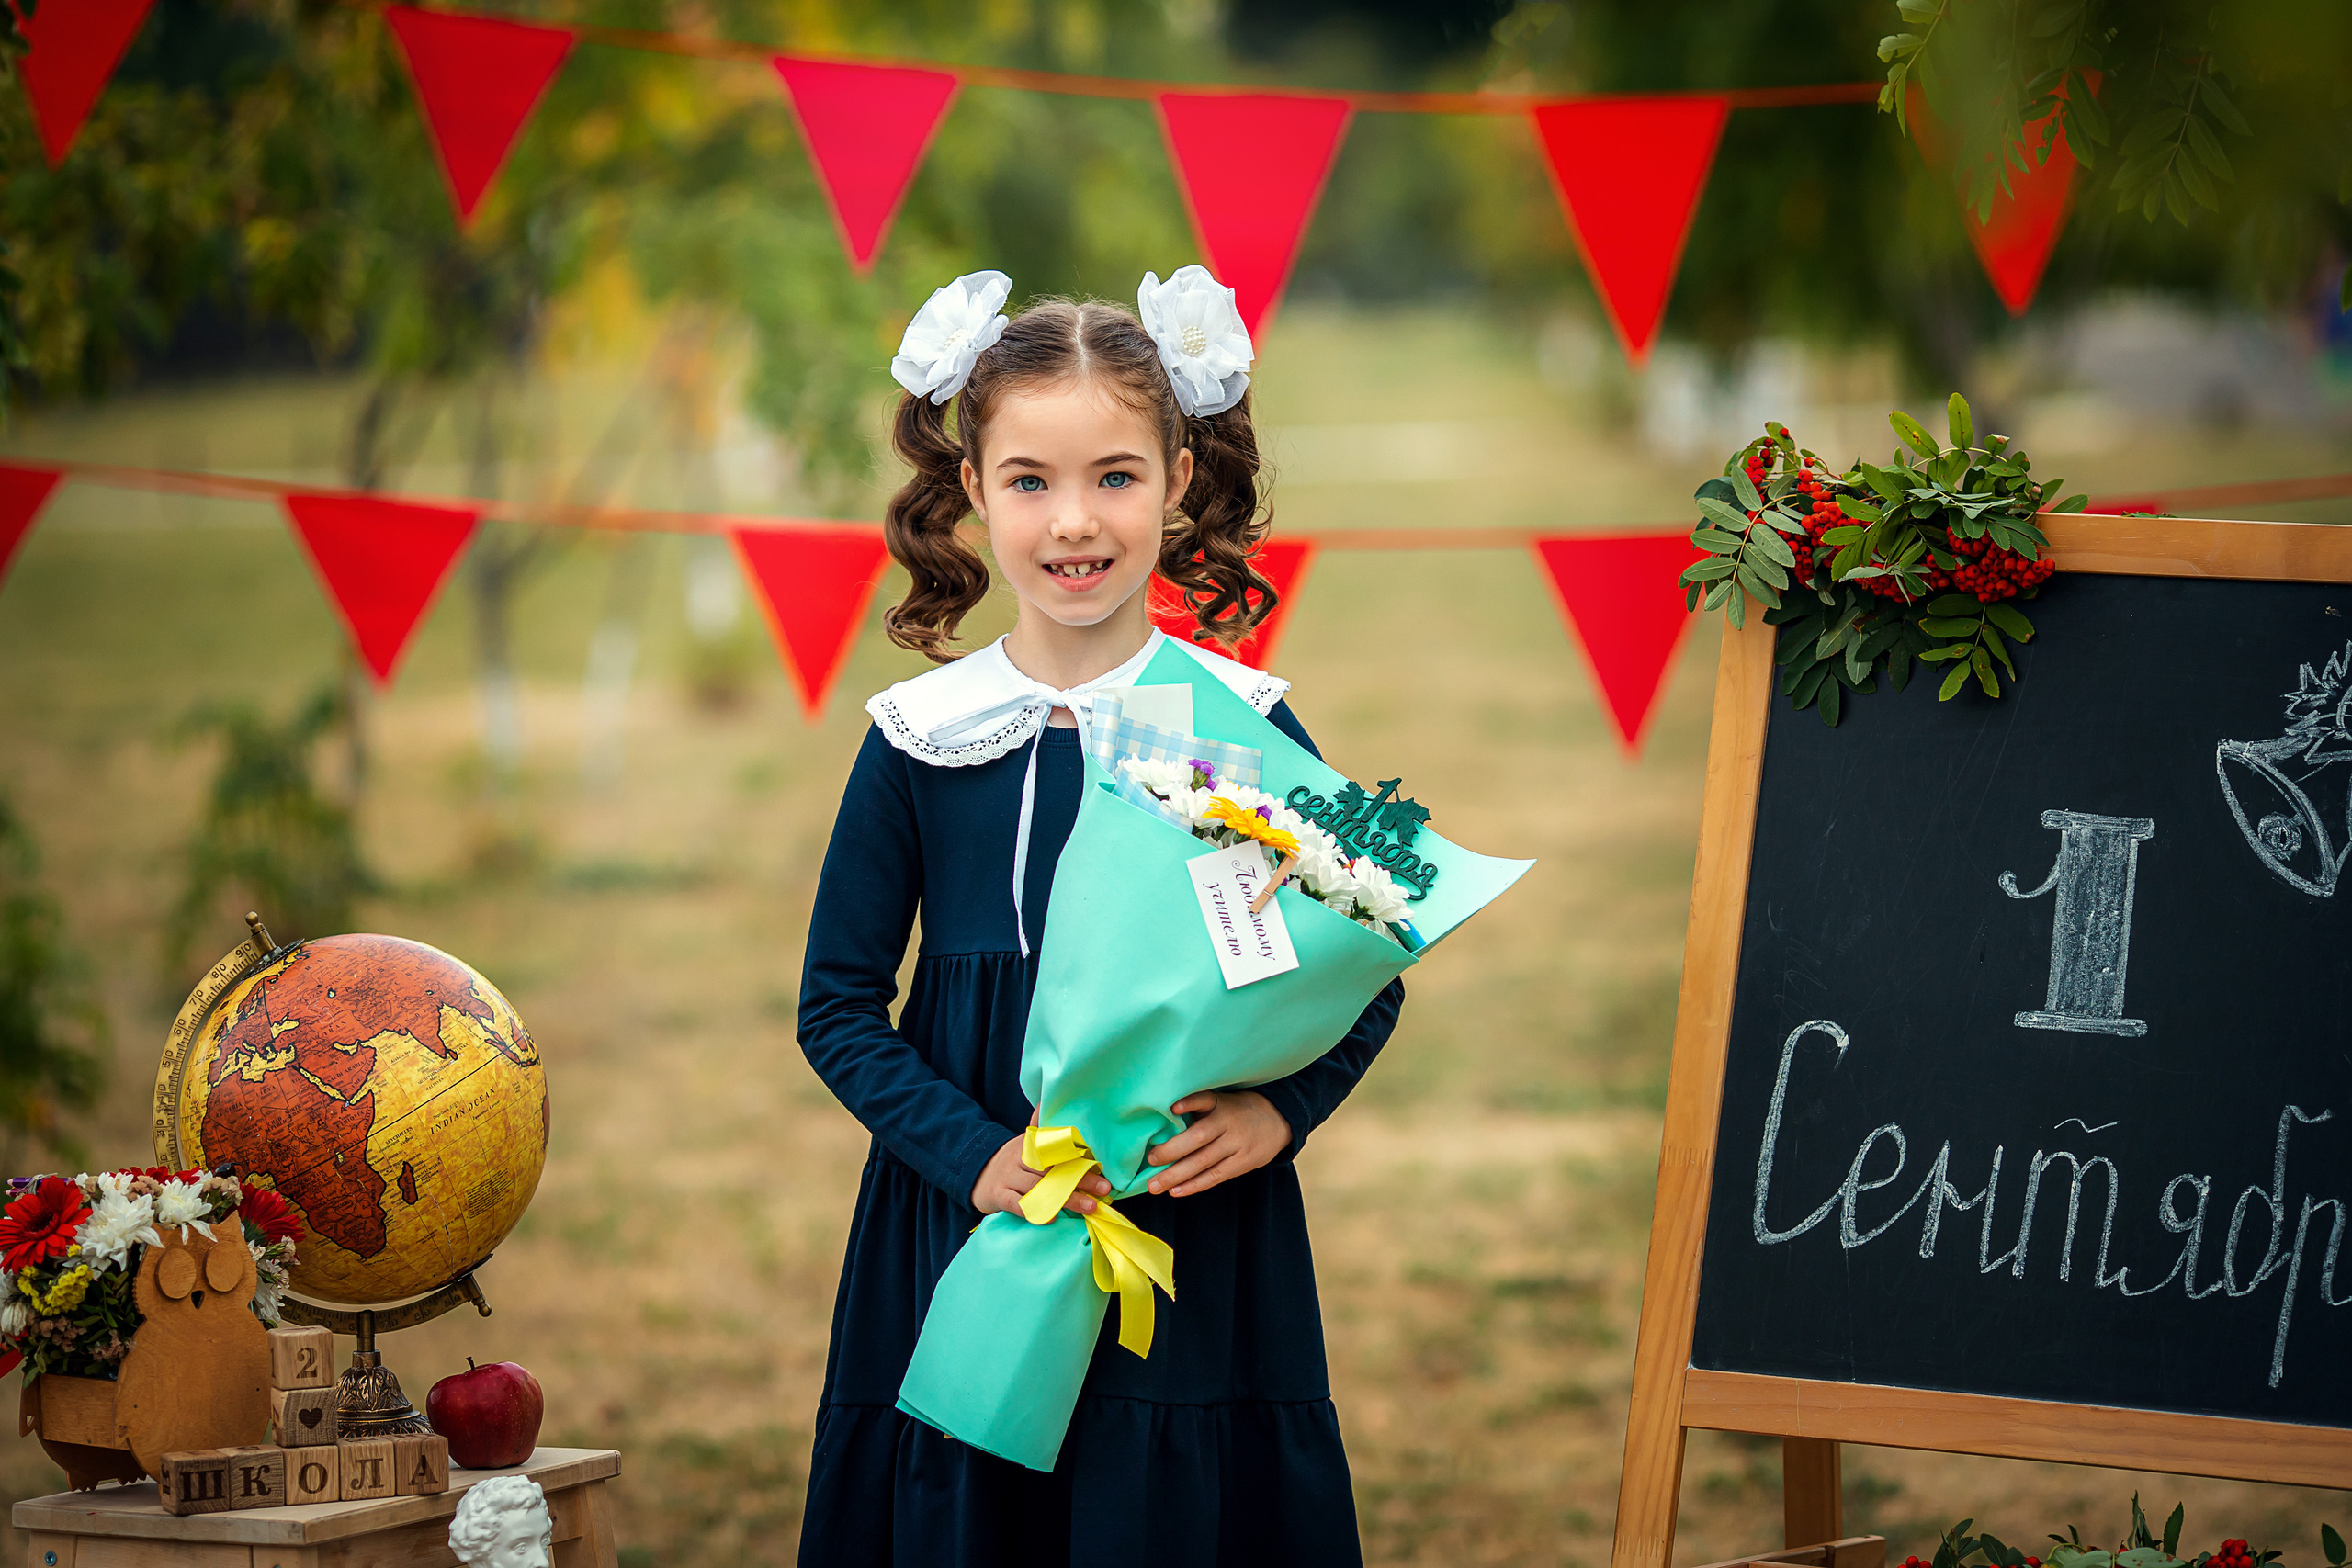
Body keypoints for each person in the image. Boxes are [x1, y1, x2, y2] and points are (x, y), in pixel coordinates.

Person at [795, 265, 1404, 1566]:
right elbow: (837, 1008)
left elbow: (1372, 958)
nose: (1075, 522)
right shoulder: (920, 739)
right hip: (967, 1223)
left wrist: (1280, 1111)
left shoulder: (1235, 726)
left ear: (1180, 480)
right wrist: (972, 1155)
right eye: (1031, 481)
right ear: (972, 492)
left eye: (1115, 476)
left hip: (1186, 1246)